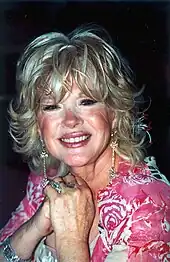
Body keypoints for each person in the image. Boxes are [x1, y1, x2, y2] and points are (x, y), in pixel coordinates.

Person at [0, 24, 170, 262]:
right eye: (52, 106)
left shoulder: (150, 202)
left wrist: (72, 239)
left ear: (115, 111)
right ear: (37, 124)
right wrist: (35, 227)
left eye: (87, 102)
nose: (70, 121)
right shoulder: (45, 179)